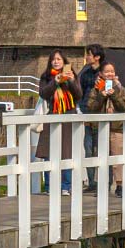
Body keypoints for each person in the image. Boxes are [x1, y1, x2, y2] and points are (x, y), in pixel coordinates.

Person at [35, 51, 80, 194]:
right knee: (49, 151)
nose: (56, 61)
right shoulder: (46, 77)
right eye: (53, 59)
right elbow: (43, 93)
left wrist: (71, 81)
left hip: (68, 115)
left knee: (66, 151)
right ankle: (49, 186)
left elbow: (78, 95)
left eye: (59, 59)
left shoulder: (71, 75)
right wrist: (55, 81)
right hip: (52, 115)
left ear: (64, 61)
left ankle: (65, 186)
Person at [84, 61, 125, 196]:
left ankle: (120, 185)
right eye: (107, 72)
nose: (110, 74)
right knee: (101, 158)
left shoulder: (120, 88)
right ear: (101, 74)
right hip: (100, 128)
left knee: (117, 158)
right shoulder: (96, 89)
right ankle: (103, 185)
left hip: (117, 128)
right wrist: (102, 95)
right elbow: (91, 107)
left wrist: (114, 94)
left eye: (112, 71)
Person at [76, 45, 106, 191]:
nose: (86, 57)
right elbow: (80, 92)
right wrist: (81, 109)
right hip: (87, 115)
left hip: (100, 116)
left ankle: (104, 182)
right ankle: (92, 183)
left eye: (89, 54)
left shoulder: (104, 72)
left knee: (101, 150)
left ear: (97, 57)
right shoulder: (85, 73)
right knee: (88, 148)